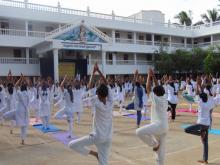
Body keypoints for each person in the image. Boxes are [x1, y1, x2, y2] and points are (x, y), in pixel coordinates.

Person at [68, 63, 113, 165]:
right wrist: (99, 71)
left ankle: (94, 153)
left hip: (98, 137)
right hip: (108, 137)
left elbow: (88, 87)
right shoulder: (110, 102)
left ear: (98, 94)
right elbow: (107, 85)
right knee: (104, 163)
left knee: (72, 145)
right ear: (106, 95)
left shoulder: (96, 102)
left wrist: (94, 73)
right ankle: (96, 155)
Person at [136, 68, 169, 165]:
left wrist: (149, 76)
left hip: (158, 126)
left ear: (156, 94)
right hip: (164, 128)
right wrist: (153, 75)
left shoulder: (157, 99)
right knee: (160, 155)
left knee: (139, 132)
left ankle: (154, 143)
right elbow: (157, 87)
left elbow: (147, 88)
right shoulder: (164, 98)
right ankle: (156, 146)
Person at [184, 77, 212, 164]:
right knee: (205, 142)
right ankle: (205, 160)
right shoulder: (209, 103)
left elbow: (196, 93)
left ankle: (200, 133)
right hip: (207, 124)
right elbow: (201, 94)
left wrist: (198, 84)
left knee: (187, 130)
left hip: (201, 124)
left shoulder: (200, 103)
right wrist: (199, 84)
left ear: (201, 99)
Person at [3, 74, 30, 145]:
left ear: (21, 88)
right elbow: (23, 86)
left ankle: (4, 118)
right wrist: (23, 80)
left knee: (6, 115)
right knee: (24, 127)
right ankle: (23, 140)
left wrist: (20, 79)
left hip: (18, 111)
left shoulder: (19, 93)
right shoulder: (28, 93)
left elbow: (15, 85)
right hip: (25, 112)